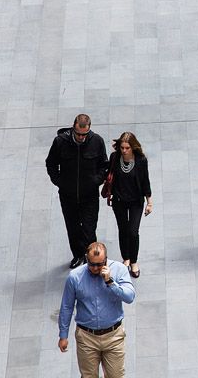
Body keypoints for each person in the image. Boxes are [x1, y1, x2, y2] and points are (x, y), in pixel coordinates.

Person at [57, 242, 135, 377]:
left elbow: (129, 297)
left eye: (99, 264)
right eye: (91, 264)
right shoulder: (75, 277)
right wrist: (63, 335)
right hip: (87, 337)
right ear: (87, 259)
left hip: (113, 336)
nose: (95, 268)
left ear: (106, 260)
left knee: (116, 375)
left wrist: (110, 282)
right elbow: (67, 306)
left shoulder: (118, 269)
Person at [45, 114, 108, 268]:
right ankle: (78, 255)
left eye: (84, 134)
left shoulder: (97, 141)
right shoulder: (61, 142)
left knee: (89, 229)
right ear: (73, 128)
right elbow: (51, 163)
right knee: (72, 228)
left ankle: (91, 258)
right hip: (68, 195)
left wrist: (96, 181)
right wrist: (60, 182)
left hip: (89, 196)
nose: (81, 137)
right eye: (78, 134)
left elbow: (103, 165)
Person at [105, 132, 152, 279]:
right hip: (119, 200)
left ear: (133, 147)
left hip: (136, 201)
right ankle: (126, 258)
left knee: (133, 231)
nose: (124, 150)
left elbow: (145, 181)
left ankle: (134, 261)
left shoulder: (141, 160)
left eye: (127, 148)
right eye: (122, 147)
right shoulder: (114, 158)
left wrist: (149, 202)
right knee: (123, 229)